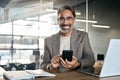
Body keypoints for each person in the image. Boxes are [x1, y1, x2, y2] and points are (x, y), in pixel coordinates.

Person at [41, 5, 95, 72]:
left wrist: (77, 64)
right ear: (58, 21)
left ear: (74, 20)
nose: (65, 23)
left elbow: (91, 59)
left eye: (69, 18)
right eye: (61, 18)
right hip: (57, 76)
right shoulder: (48, 41)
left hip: (77, 76)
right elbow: (43, 64)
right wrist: (51, 66)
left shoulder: (83, 36)